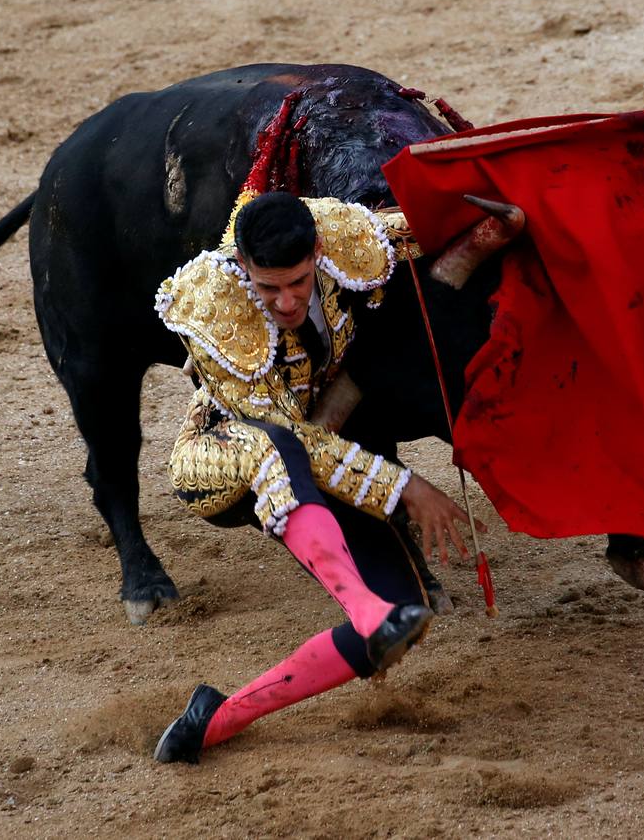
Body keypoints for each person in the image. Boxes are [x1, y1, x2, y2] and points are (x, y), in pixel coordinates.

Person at [151, 188, 476, 764]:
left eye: (298, 283)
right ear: (242, 266)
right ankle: (362, 603)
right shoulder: (212, 301)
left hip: (325, 465)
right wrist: (405, 486)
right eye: (267, 287)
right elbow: (292, 436)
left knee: (403, 619)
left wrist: (499, 223)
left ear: (318, 252)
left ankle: (218, 718)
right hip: (223, 460)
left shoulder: (343, 234)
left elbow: (429, 225)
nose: (285, 301)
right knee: (275, 442)